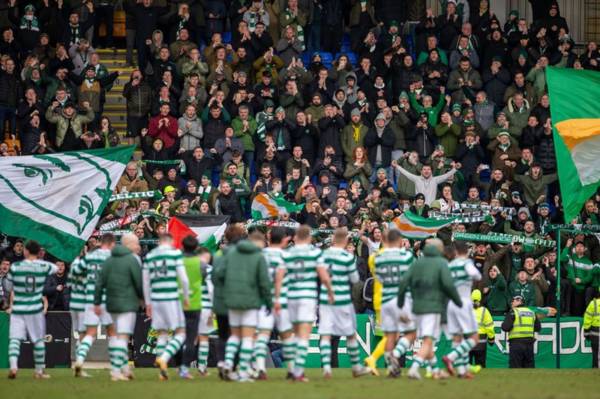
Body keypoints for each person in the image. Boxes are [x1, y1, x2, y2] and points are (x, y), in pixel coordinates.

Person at [275, 225, 334, 382]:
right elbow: (324, 276)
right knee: (303, 335)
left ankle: (293, 368)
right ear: (308, 237)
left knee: (293, 334)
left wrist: (277, 297)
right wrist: (330, 291)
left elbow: (279, 276)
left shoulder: (287, 253)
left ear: (295, 237)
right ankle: (298, 371)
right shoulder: (314, 253)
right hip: (307, 297)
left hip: (290, 297)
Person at [397, 238, 462, 380]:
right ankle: (413, 368)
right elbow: (449, 285)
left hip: (416, 306)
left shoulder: (417, 262)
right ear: (440, 250)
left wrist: (400, 303)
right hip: (433, 307)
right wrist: (458, 301)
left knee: (415, 336)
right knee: (428, 340)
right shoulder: (441, 263)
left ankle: (435, 370)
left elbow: (403, 283)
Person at [214, 231, 271, 382]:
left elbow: (219, 274)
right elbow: (264, 283)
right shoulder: (259, 256)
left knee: (234, 336)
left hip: (231, 300)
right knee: (247, 337)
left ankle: (227, 364)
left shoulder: (230, 253)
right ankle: (244, 372)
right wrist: (269, 302)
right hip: (250, 302)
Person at [318, 228, 372, 378]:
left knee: (326, 334)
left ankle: (327, 368)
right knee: (350, 335)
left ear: (333, 240)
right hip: (342, 300)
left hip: (325, 300)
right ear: (346, 241)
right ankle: (356, 367)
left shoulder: (323, 255)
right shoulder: (347, 257)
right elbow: (355, 280)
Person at [94, 233, 143, 381]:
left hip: (111, 303)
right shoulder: (133, 259)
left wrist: (96, 302)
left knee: (115, 336)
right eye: (136, 243)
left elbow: (99, 283)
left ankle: (124, 368)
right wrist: (142, 299)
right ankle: (115, 371)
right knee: (123, 336)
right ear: (129, 245)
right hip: (127, 303)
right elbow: (139, 283)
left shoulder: (109, 260)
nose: (139, 246)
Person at [6, 240, 57, 379]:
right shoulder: (43, 266)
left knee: (15, 339)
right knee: (38, 340)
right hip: (35, 308)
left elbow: (9, 286)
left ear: (26, 251)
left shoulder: (16, 267)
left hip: (18, 308)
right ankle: (39, 371)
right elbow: (55, 268)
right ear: (38, 252)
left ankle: (13, 367)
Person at [143, 234, 190, 380]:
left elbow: (145, 282)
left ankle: (162, 371)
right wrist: (186, 297)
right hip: (171, 298)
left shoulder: (150, 256)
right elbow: (184, 279)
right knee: (181, 333)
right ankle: (164, 358)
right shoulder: (175, 254)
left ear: (159, 242)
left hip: (156, 299)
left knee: (162, 333)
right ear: (171, 241)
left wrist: (148, 303)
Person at [73, 233, 116, 377]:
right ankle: (117, 367)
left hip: (90, 299)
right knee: (113, 333)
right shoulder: (112, 258)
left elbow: (76, 271)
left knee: (90, 334)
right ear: (111, 243)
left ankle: (79, 362)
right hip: (105, 299)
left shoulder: (90, 257)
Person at [374, 230, 416, 377]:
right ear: (399, 241)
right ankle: (396, 355)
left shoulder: (379, 258)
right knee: (411, 332)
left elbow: (378, 278)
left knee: (390, 335)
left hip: (386, 300)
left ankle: (391, 367)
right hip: (402, 300)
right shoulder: (406, 256)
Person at [254, 226, 293, 379]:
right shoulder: (285, 257)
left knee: (262, 335)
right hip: (281, 301)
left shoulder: (260, 255)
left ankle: (261, 369)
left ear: (269, 239)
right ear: (284, 240)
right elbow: (282, 278)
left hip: (263, 301)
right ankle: (291, 370)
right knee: (287, 336)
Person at [441, 242, 482, 378]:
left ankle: (462, 371)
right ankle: (451, 358)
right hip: (463, 302)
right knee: (474, 338)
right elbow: (477, 276)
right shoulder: (465, 262)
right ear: (465, 251)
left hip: (451, 304)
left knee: (457, 338)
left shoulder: (450, 265)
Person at [179, 235, 204, 380]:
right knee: (190, 339)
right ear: (196, 248)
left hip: (177, 303)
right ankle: (183, 368)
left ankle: (171, 363)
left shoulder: (177, 261)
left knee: (177, 336)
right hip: (194, 303)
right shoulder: (200, 263)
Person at [501, 295, 541, 368]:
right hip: (529, 344)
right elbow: (538, 328)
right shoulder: (532, 312)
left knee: (515, 368)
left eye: (514, 300)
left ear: (520, 301)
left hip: (516, 344)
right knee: (529, 368)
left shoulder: (513, 312)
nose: (512, 302)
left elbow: (505, 327)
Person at [196, 246, 215, 376]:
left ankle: (183, 365)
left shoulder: (188, 269)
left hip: (190, 306)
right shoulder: (209, 269)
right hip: (206, 307)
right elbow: (212, 290)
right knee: (204, 338)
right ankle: (202, 367)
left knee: (188, 337)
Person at [469, 289, 495, 369]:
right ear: (480, 298)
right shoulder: (484, 311)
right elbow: (490, 327)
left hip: (468, 341)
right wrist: (491, 339)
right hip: (481, 343)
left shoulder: (466, 310)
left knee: (467, 366)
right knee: (481, 367)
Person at [583, 288, 600, 368]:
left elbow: (587, 319)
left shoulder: (593, 304)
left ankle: (595, 369)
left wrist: (586, 332)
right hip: (595, 332)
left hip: (595, 332)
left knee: (595, 353)